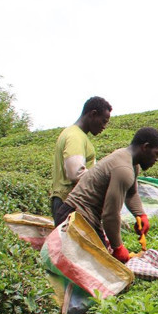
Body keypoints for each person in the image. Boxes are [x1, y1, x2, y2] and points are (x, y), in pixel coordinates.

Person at [54, 127, 158, 263]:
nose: (157, 159)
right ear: (145, 147)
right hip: (75, 218)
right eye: (156, 153)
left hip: (84, 217)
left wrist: (140, 214)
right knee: (100, 268)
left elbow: (132, 193)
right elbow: (110, 214)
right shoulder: (124, 169)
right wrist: (118, 247)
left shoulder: (130, 162)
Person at [50, 96, 112, 225]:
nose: (104, 126)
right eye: (103, 121)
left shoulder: (75, 134)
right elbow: (76, 173)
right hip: (70, 202)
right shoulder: (75, 137)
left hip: (66, 201)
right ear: (93, 114)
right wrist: (105, 179)